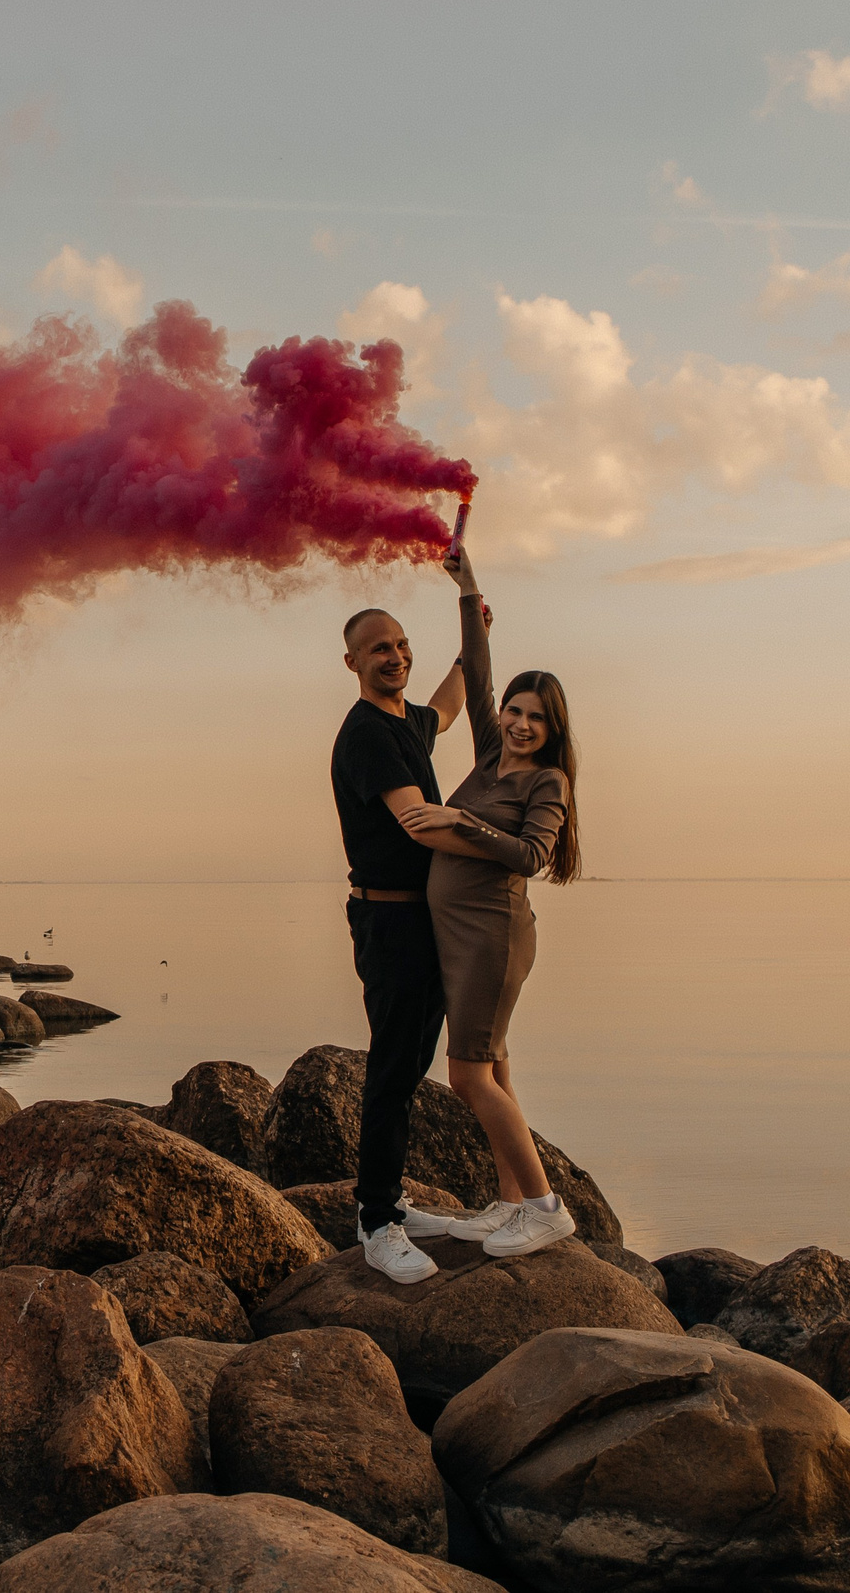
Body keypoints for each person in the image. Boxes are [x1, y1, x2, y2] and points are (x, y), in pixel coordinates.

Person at [396, 526, 582, 1259]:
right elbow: (477, 675)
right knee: (495, 1066)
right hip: (461, 935)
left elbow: (532, 855)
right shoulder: (487, 756)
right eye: (515, 711)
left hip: (494, 937)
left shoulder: (545, 781)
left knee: (469, 1075)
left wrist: (461, 821)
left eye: (536, 717)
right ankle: (510, 1203)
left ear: (552, 729)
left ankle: (545, 1207)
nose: (521, 724)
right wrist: (468, 589)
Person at [329, 596, 482, 1284]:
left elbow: (447, 708)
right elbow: (417, 821)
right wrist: (504, 845)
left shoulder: (407, 723)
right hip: (389, 923)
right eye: (379, 649)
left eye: (400, 644)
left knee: (413, 1065)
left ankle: (390, 1199)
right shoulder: (367, 735)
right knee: (392, 1069)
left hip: (426, 920)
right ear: (352, 662)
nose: (395, 656)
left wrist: (471, 644)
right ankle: (375, 1222)